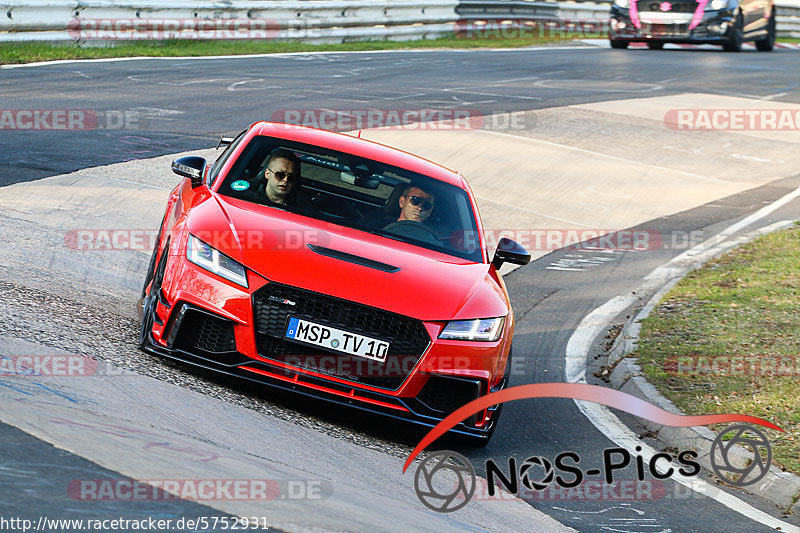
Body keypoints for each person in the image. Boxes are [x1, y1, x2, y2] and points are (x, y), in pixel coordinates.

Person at [261, 149, 317, 214]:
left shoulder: (302, 210)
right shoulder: (249, 196)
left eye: (291, 177)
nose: (285, 180)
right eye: (280, 175)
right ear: (267, 174)